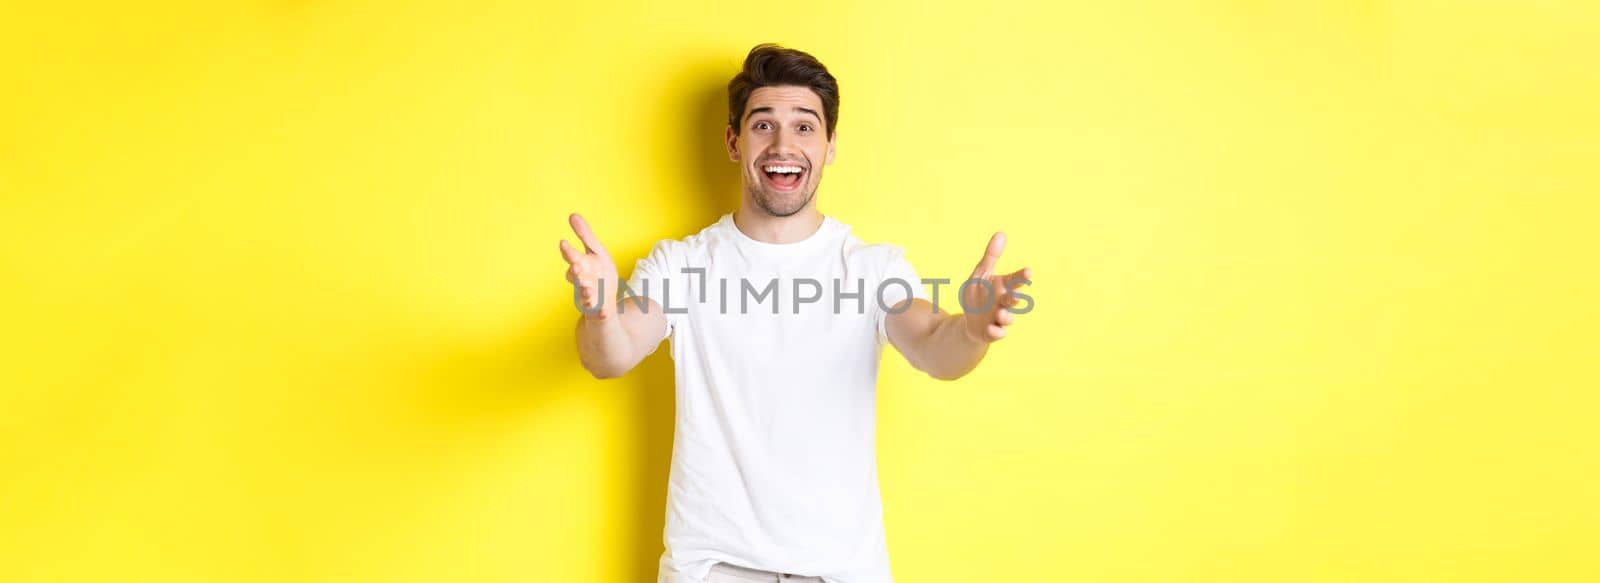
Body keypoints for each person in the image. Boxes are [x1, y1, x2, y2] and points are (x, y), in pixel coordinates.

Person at [558, 44, 1032, 583]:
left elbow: (934, 347)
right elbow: (610, 357)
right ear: (734, 143)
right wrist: (599, 314)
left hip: (843, 570)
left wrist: (972, 330)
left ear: (830, 146)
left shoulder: (873, 269)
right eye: (763, 125)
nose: (784, 145)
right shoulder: (680, 265)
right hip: (712, 570)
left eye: (805, 128)